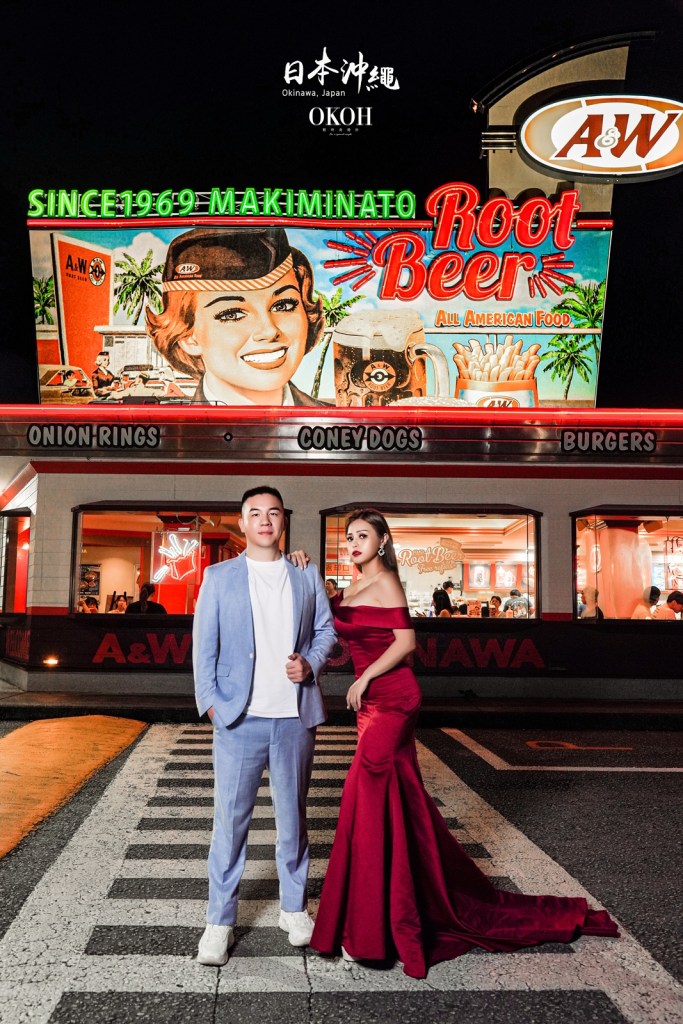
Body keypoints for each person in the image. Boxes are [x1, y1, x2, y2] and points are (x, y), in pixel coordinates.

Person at [310, 507, 619, 979]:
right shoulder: (348, 589)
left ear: (382, 541)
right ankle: (380, 916)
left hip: (393, 699)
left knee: (366, 797)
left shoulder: (387, 582)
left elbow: (405, 643)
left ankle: (376, 930)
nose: (354, 543)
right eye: (349, 536)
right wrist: (307, 578)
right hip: (368, 705)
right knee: (390, 804)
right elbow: (334, 633)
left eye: (363, 536)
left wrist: (365, 676)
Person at [192, 485, 336, 967]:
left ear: (283, 521)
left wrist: (311, 664)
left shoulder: (305, 572)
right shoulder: (219, 577)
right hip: (239, 719)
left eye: (273, 513)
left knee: (293, 820)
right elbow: (203, 646)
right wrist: (212, 705)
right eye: (255, 513)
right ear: (242, 522)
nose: (265, 520)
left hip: (295, 717)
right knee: (230, 824)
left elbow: (326, 631)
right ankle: (219, 921)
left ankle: (293, 909)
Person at [145, 227, 331, 407]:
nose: (268, 330)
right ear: (188, 337)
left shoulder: (331, 421)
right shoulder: (170, 425)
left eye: (283, 305)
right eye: (232, 314)